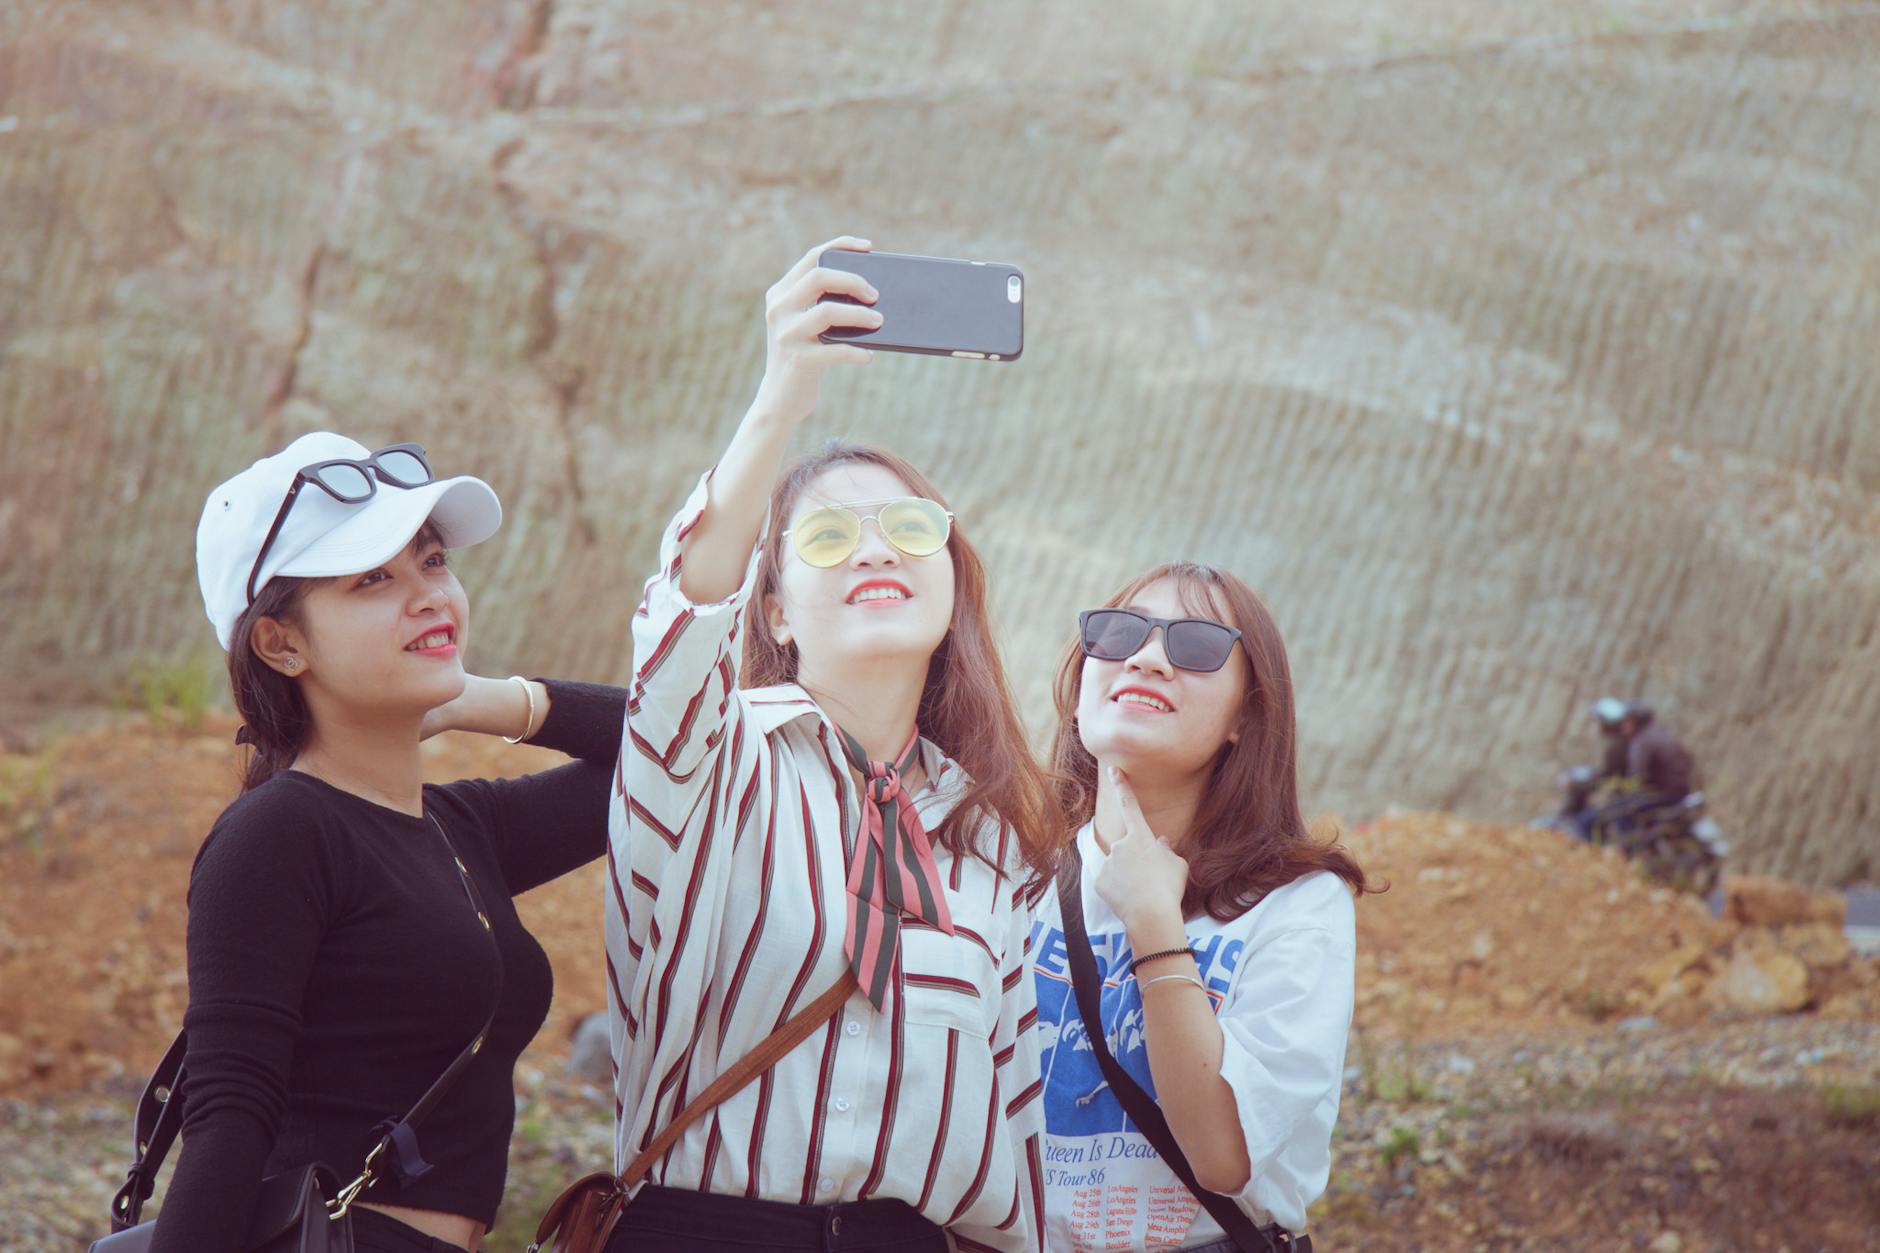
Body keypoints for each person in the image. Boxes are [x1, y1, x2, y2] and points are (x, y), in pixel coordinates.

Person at [602, 238, 1061, 1252]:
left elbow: (1013, 1122)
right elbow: (683, 619)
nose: (874, 547)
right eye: (825, 537)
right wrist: (780, 397)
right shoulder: (712, 765)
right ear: (772, 606)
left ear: (952, 577)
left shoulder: (987, 836)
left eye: (911, 527)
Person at [150, 433, 625, 1253]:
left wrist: (480, 699)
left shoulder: (461, 828)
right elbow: (228, 1122)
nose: (428, 595)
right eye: (373, 578)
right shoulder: (277, 834)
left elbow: (677, 753)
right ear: (282, 643)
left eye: (432, 561)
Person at [1032, 562, 1374, 1253]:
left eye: (1196, 645)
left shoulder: (1296, 902)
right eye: (1120, 633)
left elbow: (1221, 1155)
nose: (1147, 658)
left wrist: (1154, 922)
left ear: (1245, 717)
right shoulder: (1009, 873)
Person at [1571, 698, 1697, 843]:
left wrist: (1619, 788)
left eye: (1627, 721)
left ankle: (1630, 850)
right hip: (1681, 793)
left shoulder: (1641, 742)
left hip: (1661, 796)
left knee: (1614, 813)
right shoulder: (1662, 734)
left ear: (1636, 722)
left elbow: (1638, 778)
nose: (1623, 725)